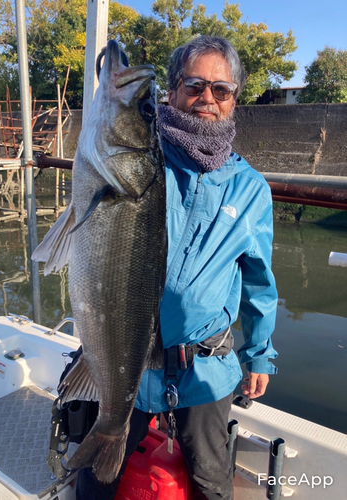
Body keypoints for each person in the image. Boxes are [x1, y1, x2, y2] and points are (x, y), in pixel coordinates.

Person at [76, 35, 278, 500]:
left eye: (221, 90)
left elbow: (259, 282)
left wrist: (259, 354)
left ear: (233, 101)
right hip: (128, 363)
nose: (207, 98)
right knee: (94, 480)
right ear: (171, 92)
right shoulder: (145, 159)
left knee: (211, 480)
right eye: (194, 85)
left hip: (207, 368)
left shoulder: (252, 190)